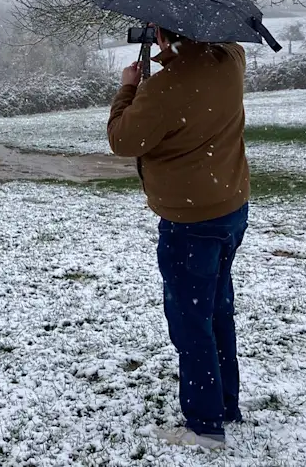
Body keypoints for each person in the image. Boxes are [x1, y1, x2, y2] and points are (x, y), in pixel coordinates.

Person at [106, 23, 250, 450]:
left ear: (164, 38)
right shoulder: (231, 60)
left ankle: (205, 427)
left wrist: (128, 89)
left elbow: (122, 139)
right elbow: (200, 78)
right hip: (230, 208)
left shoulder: (163, 90)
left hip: (189, 222)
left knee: (191, 322)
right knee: (218, 309)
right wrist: (172, 56)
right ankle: (225, 404)